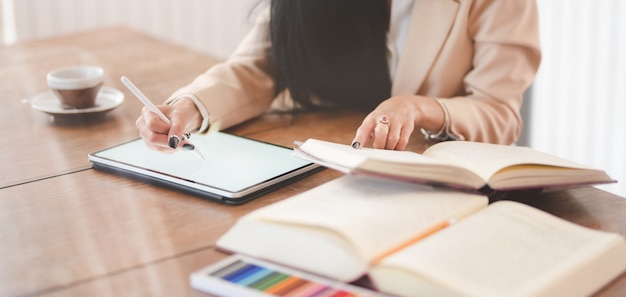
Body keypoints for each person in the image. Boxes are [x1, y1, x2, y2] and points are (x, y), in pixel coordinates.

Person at [136, 0, 541, 152]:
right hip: (332, 168)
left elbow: (500, 115)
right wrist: (189, 108)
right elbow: (256, 66)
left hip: (437, 180)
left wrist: (419, 108)